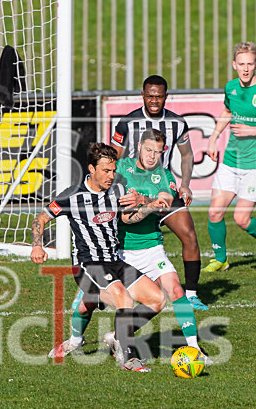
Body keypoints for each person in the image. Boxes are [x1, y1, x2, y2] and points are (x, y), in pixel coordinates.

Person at [50, 130, 212, 364]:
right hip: (120, 250)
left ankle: (193, 349)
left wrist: (144, 201)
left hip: (152, 246)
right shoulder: (120, 169)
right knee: (89, 304)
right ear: (138, 147)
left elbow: (166, 203)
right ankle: (76, 340)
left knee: (174, 291)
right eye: (148, 150)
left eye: (158, 152)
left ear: (164, 152)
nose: (152, 156)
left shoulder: (164, 175)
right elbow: (99, 189)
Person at [31, 143, 168, 372]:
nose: (111, 176)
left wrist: (150, 206)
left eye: (113, 170)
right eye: (106, 171)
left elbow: (127, 219)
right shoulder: (72, 196)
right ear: (92, 169)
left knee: (157, 299)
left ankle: (90, 338)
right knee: (123, 299)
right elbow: (40, 218)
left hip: (115, 261)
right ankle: (129, 358)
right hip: (88, 265)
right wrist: (37, 246)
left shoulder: (117, 189)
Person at [109, 75, 208, 310]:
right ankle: (99, 287)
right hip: (131, 192)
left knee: (189, 234)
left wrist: (185, 184)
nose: (154, 100)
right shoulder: (127, 123)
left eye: (159, 96)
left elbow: (186, 155)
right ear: (142, 95)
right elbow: (113, 159)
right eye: (150, 96)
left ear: (166, 97)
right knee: (108, 239)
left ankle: (191, 294)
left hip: (162, 189)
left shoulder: (177, 123)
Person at [204, 42, 256, 274]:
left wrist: (252, 130)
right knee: (214, 212)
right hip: (232, 159)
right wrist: (213, 138)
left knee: (241, 218)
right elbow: (227, 112)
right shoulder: (231, 88)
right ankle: (221, 259)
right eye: (241, 64)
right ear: (234, 65)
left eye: (250, 64)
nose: (246, 69)